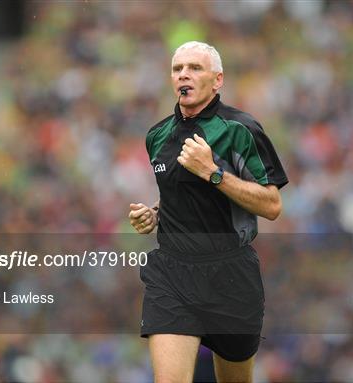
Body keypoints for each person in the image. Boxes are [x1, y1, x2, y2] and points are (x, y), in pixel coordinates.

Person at [129, 41, 288, 383]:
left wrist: (213, 173)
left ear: (217, 80)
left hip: (231, 275)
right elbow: (181, 194)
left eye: (195, 68)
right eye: (177, 68)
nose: (184, 74)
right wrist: (155, 214)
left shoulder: (241, 130)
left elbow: (272, 205)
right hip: (171, 273)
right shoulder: (157, 135)